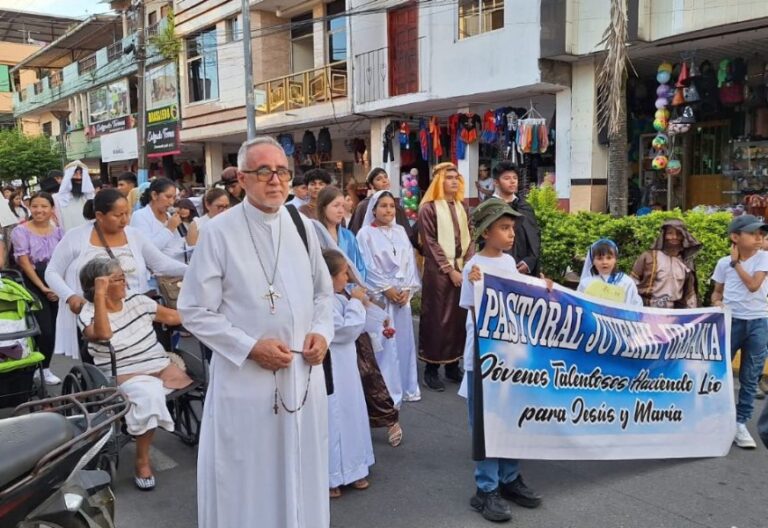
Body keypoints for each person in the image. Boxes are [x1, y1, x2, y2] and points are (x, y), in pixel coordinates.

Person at [177, 137, 334, 528]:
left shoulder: (303, 226)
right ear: (242, 179)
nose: (275, 180)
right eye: (264, 171)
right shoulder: (218, 232)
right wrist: (249, 348)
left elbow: (323, 292)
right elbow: (193, 309)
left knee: (303, 471)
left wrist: (321, 332)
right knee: (249, 479)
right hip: (248, 382)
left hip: (302, 378)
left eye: (282, 171)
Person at [77, 257, 192, 491]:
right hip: (123, 373)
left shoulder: (138, 302)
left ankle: (141, 414)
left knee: (183, 383)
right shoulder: (88, 313)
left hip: (158, 365)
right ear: (100, 285)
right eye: (119, 279)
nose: (126, 283)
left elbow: (173, 317)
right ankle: (142, 460)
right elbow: (104, 333)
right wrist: (99, 296)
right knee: (149, 394)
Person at [460, 198, 542, 523]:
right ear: (486, 232)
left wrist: (545, 289)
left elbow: (522, 302)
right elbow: (472, 309)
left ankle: (510, 479)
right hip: (482, 360)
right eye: (504, 228)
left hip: (509, 359)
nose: (511, 234)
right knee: (486, 423)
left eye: (512, 228)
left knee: (510, 418)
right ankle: (485, 489)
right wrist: (478, 284)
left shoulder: (509, 264)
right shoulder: (473, 267)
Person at [45, 189, 187, 359]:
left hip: (134, 315)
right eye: (118, 215)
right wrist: (70, 297)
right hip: (96, 315)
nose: (125, 220)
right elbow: (52, 272)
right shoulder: (76, 237)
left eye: (127, 213)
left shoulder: (134, 235)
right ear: (99, 215)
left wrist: (193, 270)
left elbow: (161, 264)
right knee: (104, 363)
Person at [312, 186, 402, 446]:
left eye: (343, 205)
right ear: (323, 207)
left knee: (367, 367)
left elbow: (357, 269)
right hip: (326, 304)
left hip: (352, 300)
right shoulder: (313, 235)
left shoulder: (348, 237)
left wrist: (358, 296)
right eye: (335, 206)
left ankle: (389, 418)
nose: (341, 210)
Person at [357, 190, 421, 403]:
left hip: (402, 297)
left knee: (403, 343)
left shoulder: (401, 231)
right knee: (384, 344)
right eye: (383, 206)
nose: (388, 210)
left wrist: (408, 290)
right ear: (373, 209)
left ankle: (406, 386)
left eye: (392, 206)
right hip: (381, 297)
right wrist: (386, 288)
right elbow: (366, 265)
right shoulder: (365, 234)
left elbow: (410, 261)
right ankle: (384, 393)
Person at [711, 214, 768, 449]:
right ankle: (715, 418)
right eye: (752, 233)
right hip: (731, 322)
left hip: (759, 322)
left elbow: (754, 286)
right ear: (735, 237)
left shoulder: (764, 258)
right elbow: (717, 292)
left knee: (750, 375)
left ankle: (741, 423)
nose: (759, 237)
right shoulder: (723, 263)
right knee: (719, 371)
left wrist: (737, 264)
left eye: (760, 234)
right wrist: (716, 303)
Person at [323, 249, 375, 499]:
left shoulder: (339, 298)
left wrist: (364, 307)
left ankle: (354, 469)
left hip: (346, 366)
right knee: (333, 415)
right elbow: (344, 330)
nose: (347, 278)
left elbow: (359, 322)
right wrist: (355, 302)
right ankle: (331, 474)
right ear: (330, 276)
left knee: (351, 411)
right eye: (344, 273)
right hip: (329, 364)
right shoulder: (321, 300)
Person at [418, 162, 473, 392]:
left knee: (459, 319)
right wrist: (449, 270)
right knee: (437, 320)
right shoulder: (428, 208)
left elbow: (470, 238)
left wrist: (468, 265)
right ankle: (431, 369)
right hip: (439, 274)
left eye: (456, 178)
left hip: (461, 269)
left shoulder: (462, 207)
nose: (454, 181)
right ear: (439, 181)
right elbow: (429, 243)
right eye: (449, 177)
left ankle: (452, 366)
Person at [11, 192, 63, 385]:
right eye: (35, 206)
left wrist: (58, 286)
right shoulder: (21, 231)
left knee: (55, 327)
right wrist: (43, 287)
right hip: (31, 282)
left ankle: (45, 367)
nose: (39, 210)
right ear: (29, 208)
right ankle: (37, 368)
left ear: (52, 209)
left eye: (44, 206)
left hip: (55, 280)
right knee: (44, 329)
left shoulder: (58, 231)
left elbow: (64, 258)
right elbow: (24, 262)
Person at [631, 219, 701, 308]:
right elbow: (633, 282)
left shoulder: (686, 261)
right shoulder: (648, 257)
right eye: (670, 233)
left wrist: (692, 313)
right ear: (663, 236)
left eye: (678, 234)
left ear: (683, 236)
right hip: (649, 310)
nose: (674, 237)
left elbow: (689, 293)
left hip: (675, 313)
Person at [492, 162, 540, 276]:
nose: (512, 181)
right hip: (498, 268)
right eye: (507, 178)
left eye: (515, 178)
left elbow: (535, 237)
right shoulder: (490, 207)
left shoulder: (525, 207)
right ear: (496, 182)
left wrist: (529, 262)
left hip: (525, 269)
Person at [348, 168, 414, 243]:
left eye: (386, 177)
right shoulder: (363, 206)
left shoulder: (397, 207)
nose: (384, 181)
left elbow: (407, 237)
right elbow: (354, 235)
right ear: (371, 185)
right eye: (378, 179)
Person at [130, 178, 187, 263]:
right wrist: (169, 229)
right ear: (154, 195)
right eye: (168, 197)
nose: (171, 202)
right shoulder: (140, 216)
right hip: (157, 274)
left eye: (174, 198)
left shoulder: (170, 217)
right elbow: (147, 251)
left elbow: (179, 245)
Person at [578, 239, 643, 306]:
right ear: (593, 261)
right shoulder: (586, 283)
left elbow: (636, 306)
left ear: (615, 259)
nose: (604, 262)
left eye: (609, 258)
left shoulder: (626, 282)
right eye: (599, 258)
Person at [53, 160, 96, 232]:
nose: (79, 177)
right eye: (75, 174)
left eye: (81, 174)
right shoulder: (57, 199)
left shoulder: (91, 198)